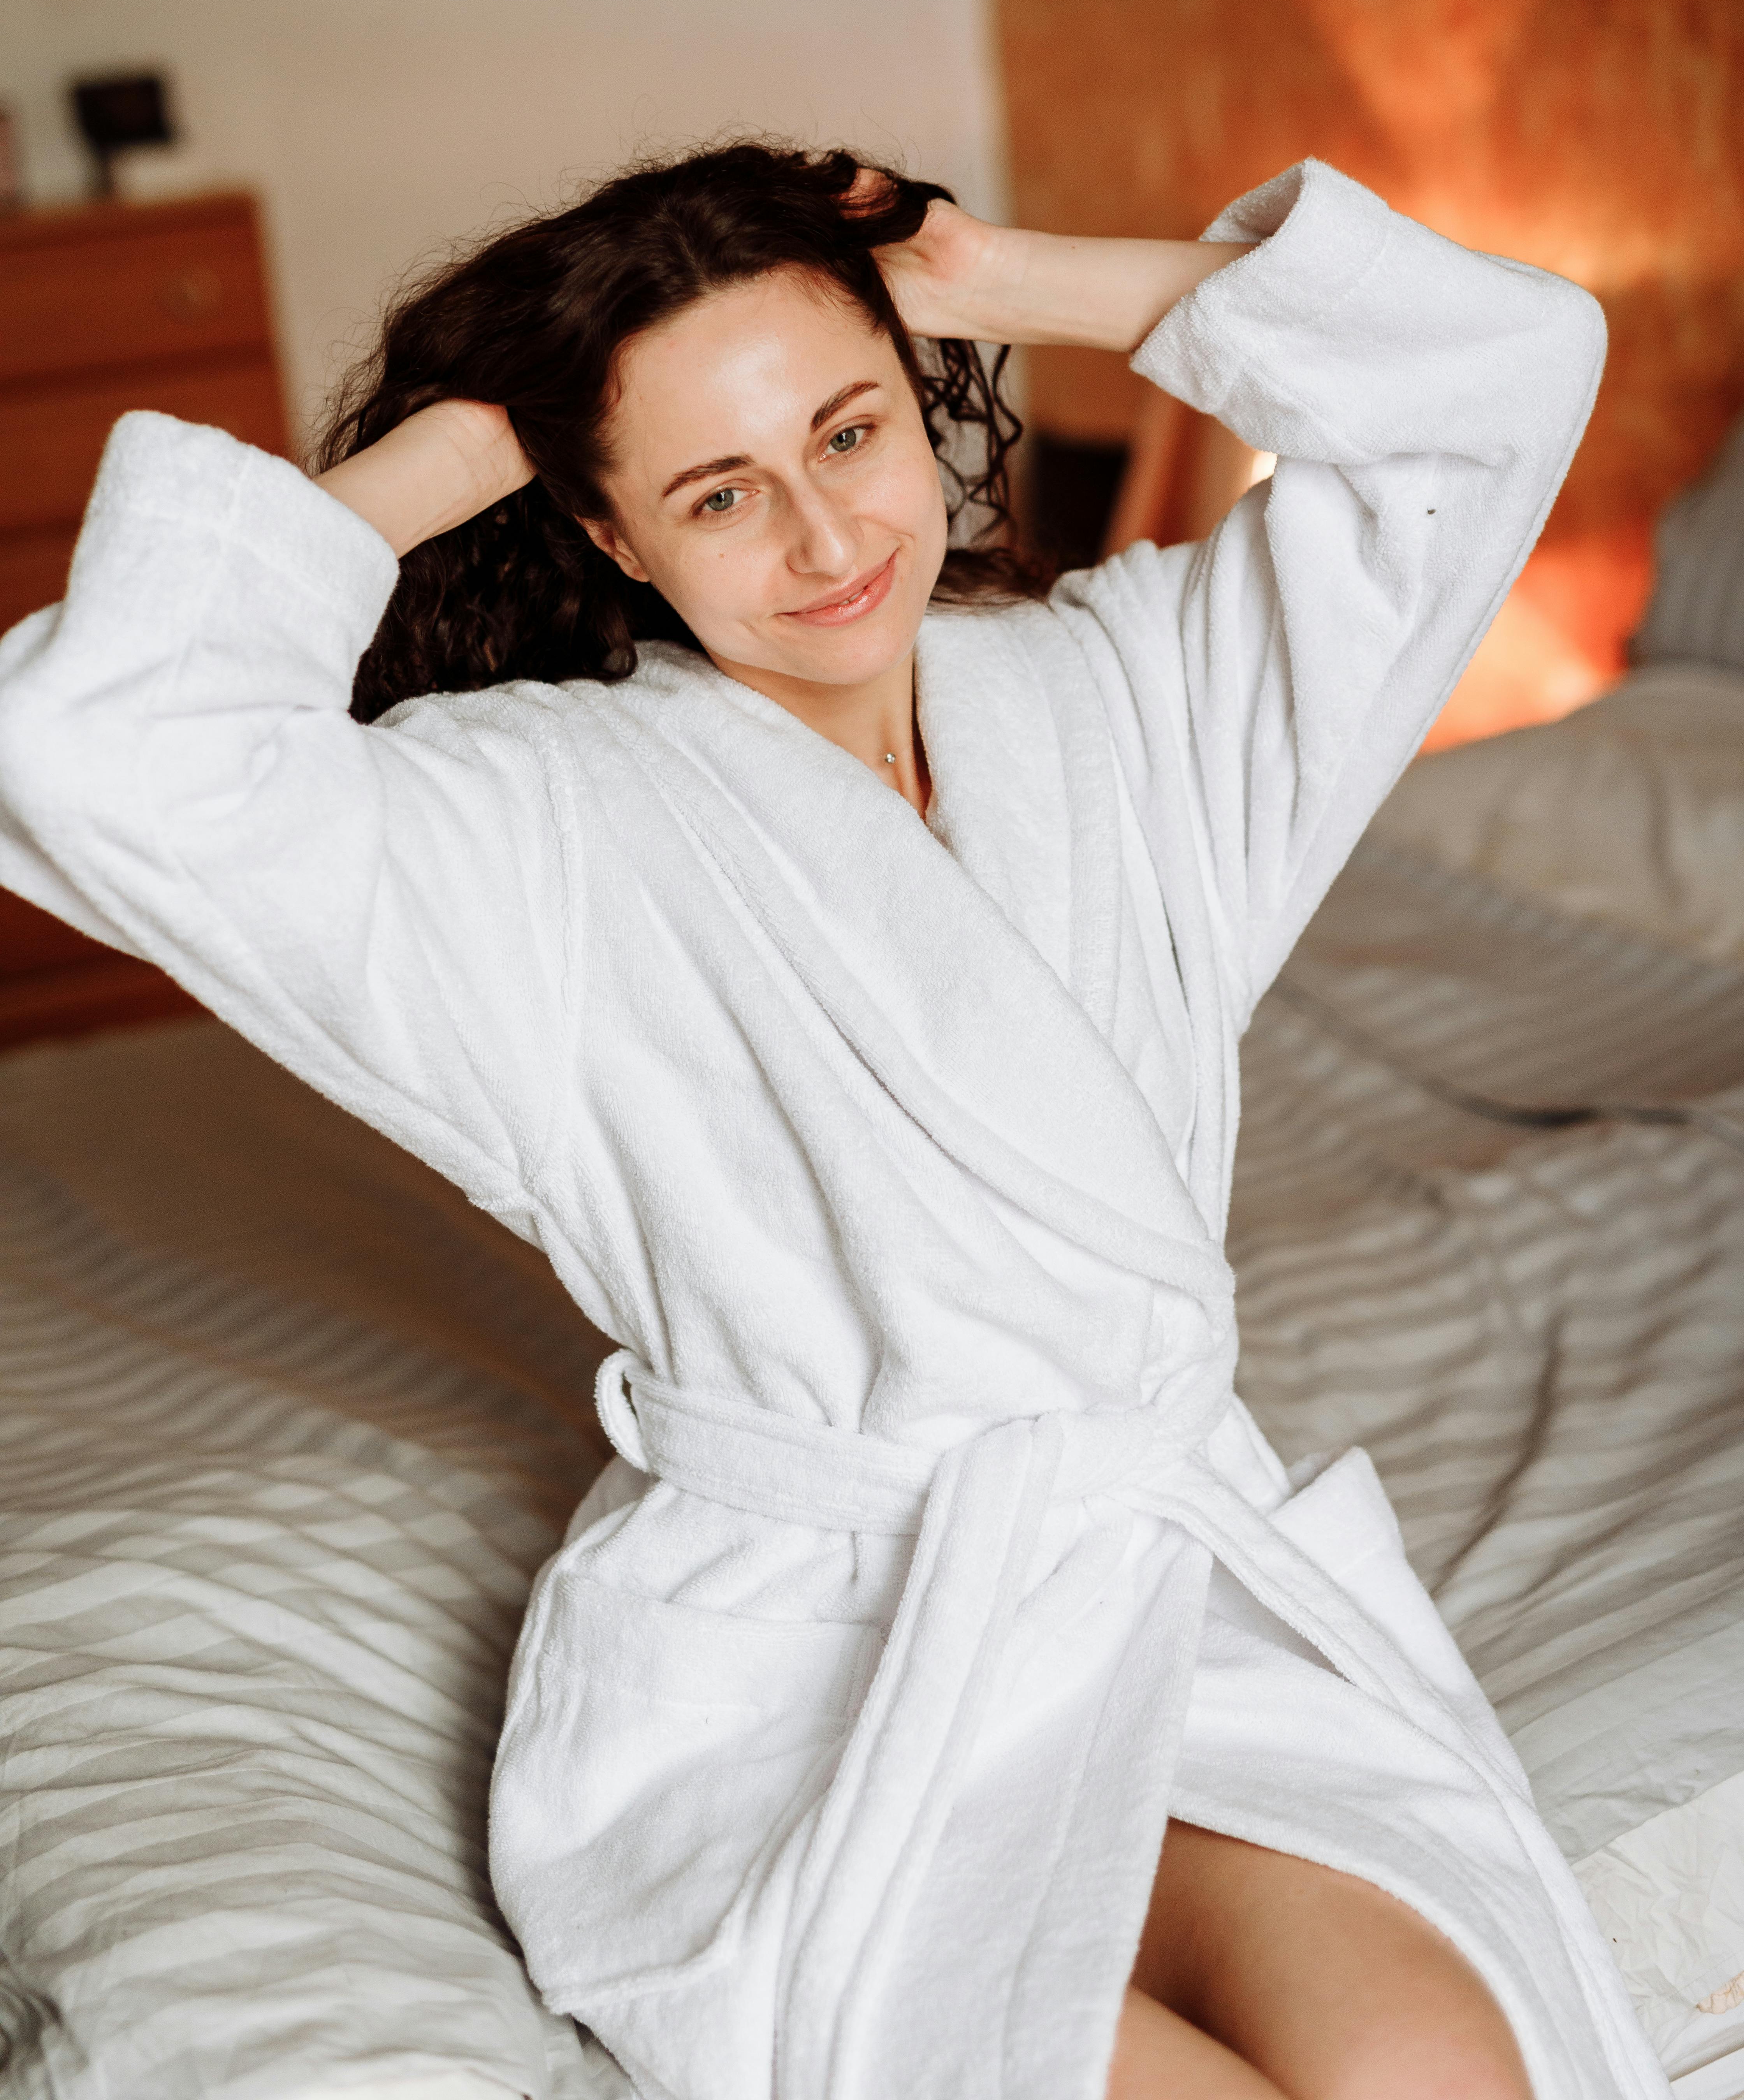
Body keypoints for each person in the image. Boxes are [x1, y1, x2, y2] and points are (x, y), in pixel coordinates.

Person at [0, 145, 1667, 2100]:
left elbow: (1497, 377)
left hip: (1154, 1596)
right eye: (718, 491)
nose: (822, 537)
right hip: (801, 1675)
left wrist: (1003, 275)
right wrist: (486, 434)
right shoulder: (537, 830)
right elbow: (95, 746)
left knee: (1439, 2076)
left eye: (850, 428)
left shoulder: (1129, 705)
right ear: (612, 537)